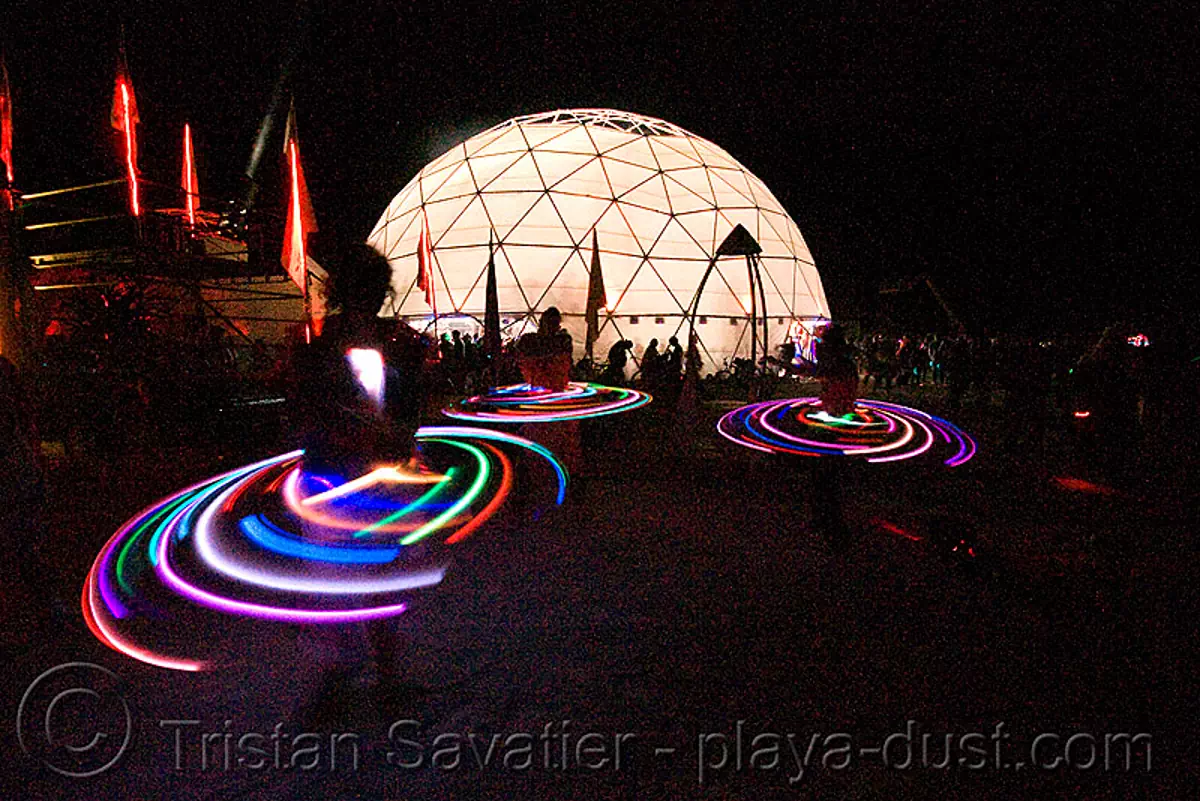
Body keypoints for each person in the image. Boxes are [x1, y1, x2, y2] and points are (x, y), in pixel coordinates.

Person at [516, 306, 573, 391]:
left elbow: (564, 360)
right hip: (537, 383)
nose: (550, 326)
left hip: (555, 383)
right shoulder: (529, 339)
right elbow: (519, 356)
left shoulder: (563, 340)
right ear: (541, 323)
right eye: (549, 322)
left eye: (554, 323)